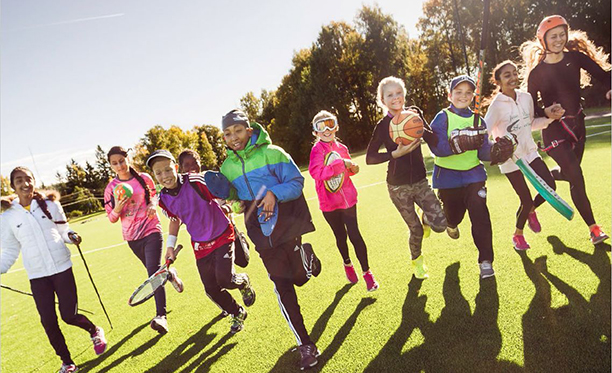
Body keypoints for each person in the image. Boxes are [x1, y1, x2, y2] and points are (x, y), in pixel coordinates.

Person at [219, 109, 322, 370]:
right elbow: (236, 199)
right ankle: (305, 344)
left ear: (249, 130)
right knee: (282, 285)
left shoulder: (273, 153)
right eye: (228, 134)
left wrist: (274, 193)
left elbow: (297, 182)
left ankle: (306, 256)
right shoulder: (226, 168)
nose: (234, 138)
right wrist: (235, 204)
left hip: (287, 223)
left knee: (299, 277)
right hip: (260, 232)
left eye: (238, 131)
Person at [1, 167, 107, 373]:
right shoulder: (7, 217)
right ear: (13, 186)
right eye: (19, 181)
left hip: (62, 269)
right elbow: (10, 251)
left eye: (28, 179)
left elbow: (63, 230)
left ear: (34, 181)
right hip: (37, 276)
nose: (25, 184)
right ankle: (67, 362)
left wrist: (72, 236)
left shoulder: (50, 203)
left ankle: (94, 330)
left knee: (69, 315)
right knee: (48, 322)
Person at [520, 15, 611, 244]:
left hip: (578, 125)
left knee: (570, 174)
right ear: (544, 40)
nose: (559, 39)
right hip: (553, 131)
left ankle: (540, 192)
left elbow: (604, 76)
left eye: (562, 34)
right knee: (577, 177)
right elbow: (530, 109)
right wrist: (547, 111)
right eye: (554, 36)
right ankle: (594, 229)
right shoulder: (537, 74)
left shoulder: (576, 58)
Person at [147, 149, 256, 334]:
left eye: (167, 170)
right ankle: (237, 312)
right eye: (158, 173)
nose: (164, 176)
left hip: (222, 234)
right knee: (211, 289)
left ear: (175, 167)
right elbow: (175, 219)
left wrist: (228, 205)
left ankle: (243, 281)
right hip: (200, 245)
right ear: (154, 175)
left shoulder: (195, 181)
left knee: (226, 279)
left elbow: (221, 194)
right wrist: (170, 247)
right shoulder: (163, 199)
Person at [427, 75, 514, 279]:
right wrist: (460, 143)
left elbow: (483, 152)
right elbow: (436, 148)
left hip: (474, 176)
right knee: (454, 215)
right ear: (450, 95)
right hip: (447, 179)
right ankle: (450, 222)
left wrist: (497, 151)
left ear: (473, 96)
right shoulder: (442, 117)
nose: (463, 96)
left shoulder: (479, 120)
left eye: (468, 93)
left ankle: (486, 261)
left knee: (480, 214)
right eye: (458, 92)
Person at [365, 76, 447, 280]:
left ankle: (426, 218)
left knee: (440, 225)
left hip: (420, 181)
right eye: (390, 95)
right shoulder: (383, 126)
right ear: (383, 100)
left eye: (399, 93)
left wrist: (418, 127)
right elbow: (370, 158)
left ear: (404, 94)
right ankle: (417, 261)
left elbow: (433, 138)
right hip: (397, 187)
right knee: (415, 230)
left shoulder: (414, 114)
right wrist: (394, 154)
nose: (396, 98)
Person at [484, 60, 564, 250]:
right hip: (511, 160)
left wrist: (548, 120)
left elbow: (531, 123)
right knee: (525, 199)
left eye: (514, 73)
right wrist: (494, 148)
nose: (512, 78)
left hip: (529, 152)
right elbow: (484, 133)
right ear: (498, 81)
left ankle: (531, 210)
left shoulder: (526, 97)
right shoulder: (495, 107)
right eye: (507, 75)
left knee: (550, 186)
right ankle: (518, 235)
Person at [103, 146, 183, 334]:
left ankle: (161, 316)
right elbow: (112, 218)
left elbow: (155, 195)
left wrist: (153, 206)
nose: (119, 166)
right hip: (132, 237)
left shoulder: (145, 178)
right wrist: (118, 207)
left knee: (152, 274)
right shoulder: (111, 189)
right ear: (111, 166)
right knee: (155, 272)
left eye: (121, 161)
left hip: (151, 230)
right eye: (114, 163)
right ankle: (170, 275)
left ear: (128, 159)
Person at [308, 110, 378, 291]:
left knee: (355, 234)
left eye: (330, 124)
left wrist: (352, 169)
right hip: (329, 205)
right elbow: (317, 173)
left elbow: (344, 175)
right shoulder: (316, 151)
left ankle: (367, 273)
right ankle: (347, 264)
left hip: (348, 201)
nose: (326, 129)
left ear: (336, 127)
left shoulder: (342, 149)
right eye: (321, 126)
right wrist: (342, 164)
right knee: (341, 236)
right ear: (315, 132)